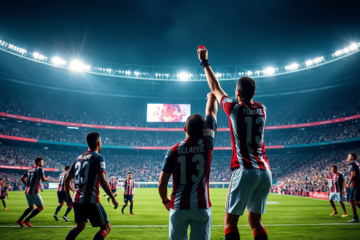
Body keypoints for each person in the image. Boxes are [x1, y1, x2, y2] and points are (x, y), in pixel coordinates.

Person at [198, 46, 271, 240]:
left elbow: (215, 88)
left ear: (237, 92)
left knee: (230, 223)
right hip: (265, 171)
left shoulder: (234, 109)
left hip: (244, 169)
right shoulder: (262, 109)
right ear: (254, 92)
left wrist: (205, 62)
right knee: (255, 222)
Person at [158, 92, 218, 240]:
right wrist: (212, 96)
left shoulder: (173, 150)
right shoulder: (207, 144)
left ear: (185, 128)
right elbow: (211, 113)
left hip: (178, 206)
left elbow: (162, 184)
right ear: (203, 131)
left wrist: (166, 201)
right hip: (202, 207)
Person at [64, 132, 118, 240]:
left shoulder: (78, 158)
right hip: (91, 199)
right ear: (99, 143)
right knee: (105, 228)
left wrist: (69, 197)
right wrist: (112, 198)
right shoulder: (98, 157)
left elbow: (66, 180)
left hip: (77, 199)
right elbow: (103, 181)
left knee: (79, 226)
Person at [16, 157, 50, 227]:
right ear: (38, 163)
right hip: (34, 191)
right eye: (42, 162)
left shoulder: (30, 169)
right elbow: (43, 180)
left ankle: (20, 220)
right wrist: (47, 178)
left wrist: (26, 185)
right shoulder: (40, 169)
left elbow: (22, 178)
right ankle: (27, 220)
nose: (43, 163)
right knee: (41, 207)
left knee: (31, 207)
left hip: (27, 191)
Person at [346, 152, 360, 223]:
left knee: (354, 201)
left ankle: (355, 217)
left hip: (355, 183)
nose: (348, 158)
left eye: (349, 156)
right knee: (353, 200)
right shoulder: (357, 163)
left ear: (352, 158)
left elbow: (353, 174)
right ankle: (355, 217)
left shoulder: (352, 164)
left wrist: (349, 183)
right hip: (357, 183)